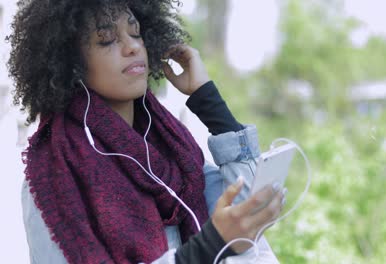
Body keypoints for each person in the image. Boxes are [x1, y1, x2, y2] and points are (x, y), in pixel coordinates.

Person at [7, 0, 287, 263]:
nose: (132, 47)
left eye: (136, 33)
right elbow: (222, 239)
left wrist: (209, 102)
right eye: (107, 39)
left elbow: (251, 213)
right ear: (70, 63)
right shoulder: (54, 176)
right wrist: (209, 245)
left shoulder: (172, 147)